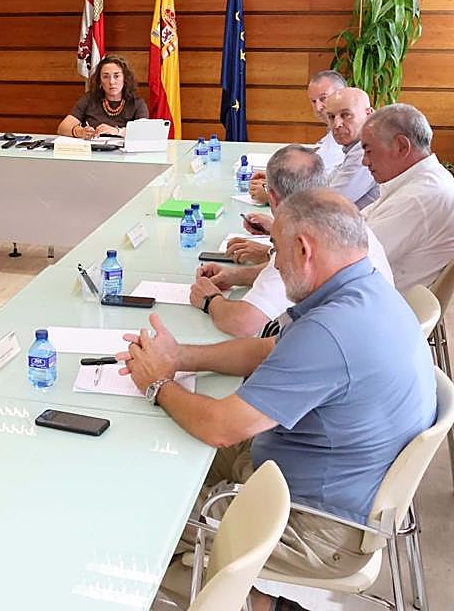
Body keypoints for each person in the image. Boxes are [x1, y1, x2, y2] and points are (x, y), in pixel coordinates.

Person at [122, 189, 436, 611]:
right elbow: (270, 350)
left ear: (303, 248)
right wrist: (180, 357)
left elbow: (220, 427)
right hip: (322, 480)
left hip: (315, 524)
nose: (274, 264)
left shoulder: (333, 331)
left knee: (140, 520)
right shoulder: (364, 290)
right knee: (153, 454)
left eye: (276, 251)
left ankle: (254, 600)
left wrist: (159, 384)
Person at [192, 145, 392, 338]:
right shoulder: (342, 216)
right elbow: (280, 280)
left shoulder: (298, 242)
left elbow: (243, 323)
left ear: (272, 197)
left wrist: (210, 300)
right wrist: (233, 277)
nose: (277, 262)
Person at [361, 103, 454, 291]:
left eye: (368, 150)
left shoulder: (419, 197)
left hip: (384, 308)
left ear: (401, 146)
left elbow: (353, 257)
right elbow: (357, 221)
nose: (364, 161)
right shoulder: (420, 181)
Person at [250, 70, 346, 204]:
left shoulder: (349, 140)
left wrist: (273, 197)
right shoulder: (332, 134)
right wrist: (277, 180)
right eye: (313, 101)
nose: (318, 107)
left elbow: (327, 200)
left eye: (323, 98)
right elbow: (314, 180)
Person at [57, 54, 149, 138]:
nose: (112, 82)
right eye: (106, 77)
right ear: (100, 81)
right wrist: (79, 131)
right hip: (93, 152)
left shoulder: (137, 103)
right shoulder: (89, 99)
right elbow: (62, 128)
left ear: (125, 78)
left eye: (116, 76)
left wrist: (117, 131)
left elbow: (145, 132)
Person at [322, 87, 379, 209]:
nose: (337, 124)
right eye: (331, 117)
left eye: (345, 115)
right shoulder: (353, 149)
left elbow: (329, 204)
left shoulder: (366, 151)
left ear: (369, 115)